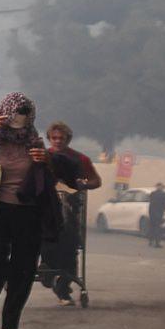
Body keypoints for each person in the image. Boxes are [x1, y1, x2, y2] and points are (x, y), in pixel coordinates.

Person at [0, 93, 86, 329]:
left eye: (25, 115)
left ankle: (9, 327)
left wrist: (45, 161)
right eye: (16, 113)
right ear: (5, 113)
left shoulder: (34, 141)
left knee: (24, 270)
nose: (20, 119)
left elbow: (51, 176)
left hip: (28, 213)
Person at [39, 122, 100, 302]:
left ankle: (62, 283)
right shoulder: (42, 156)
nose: (57, 141)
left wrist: (84, 184)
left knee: (70, 242)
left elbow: (96, 181)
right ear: (49, 138)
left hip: (70, 207)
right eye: (54, 138)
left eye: (61, 138)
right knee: (48, 234)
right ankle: (49, 270)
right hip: (46, 209)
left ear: (68, 139)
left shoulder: (80, 159)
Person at [150, 183, 165, 250]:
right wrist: (164, 212)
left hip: (152, 213)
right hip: (159, 213)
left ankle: (150, 241)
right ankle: (157, 243)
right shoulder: (164, 194)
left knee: (152, 227)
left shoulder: (152, 193)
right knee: (158, 228)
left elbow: (151, 203)